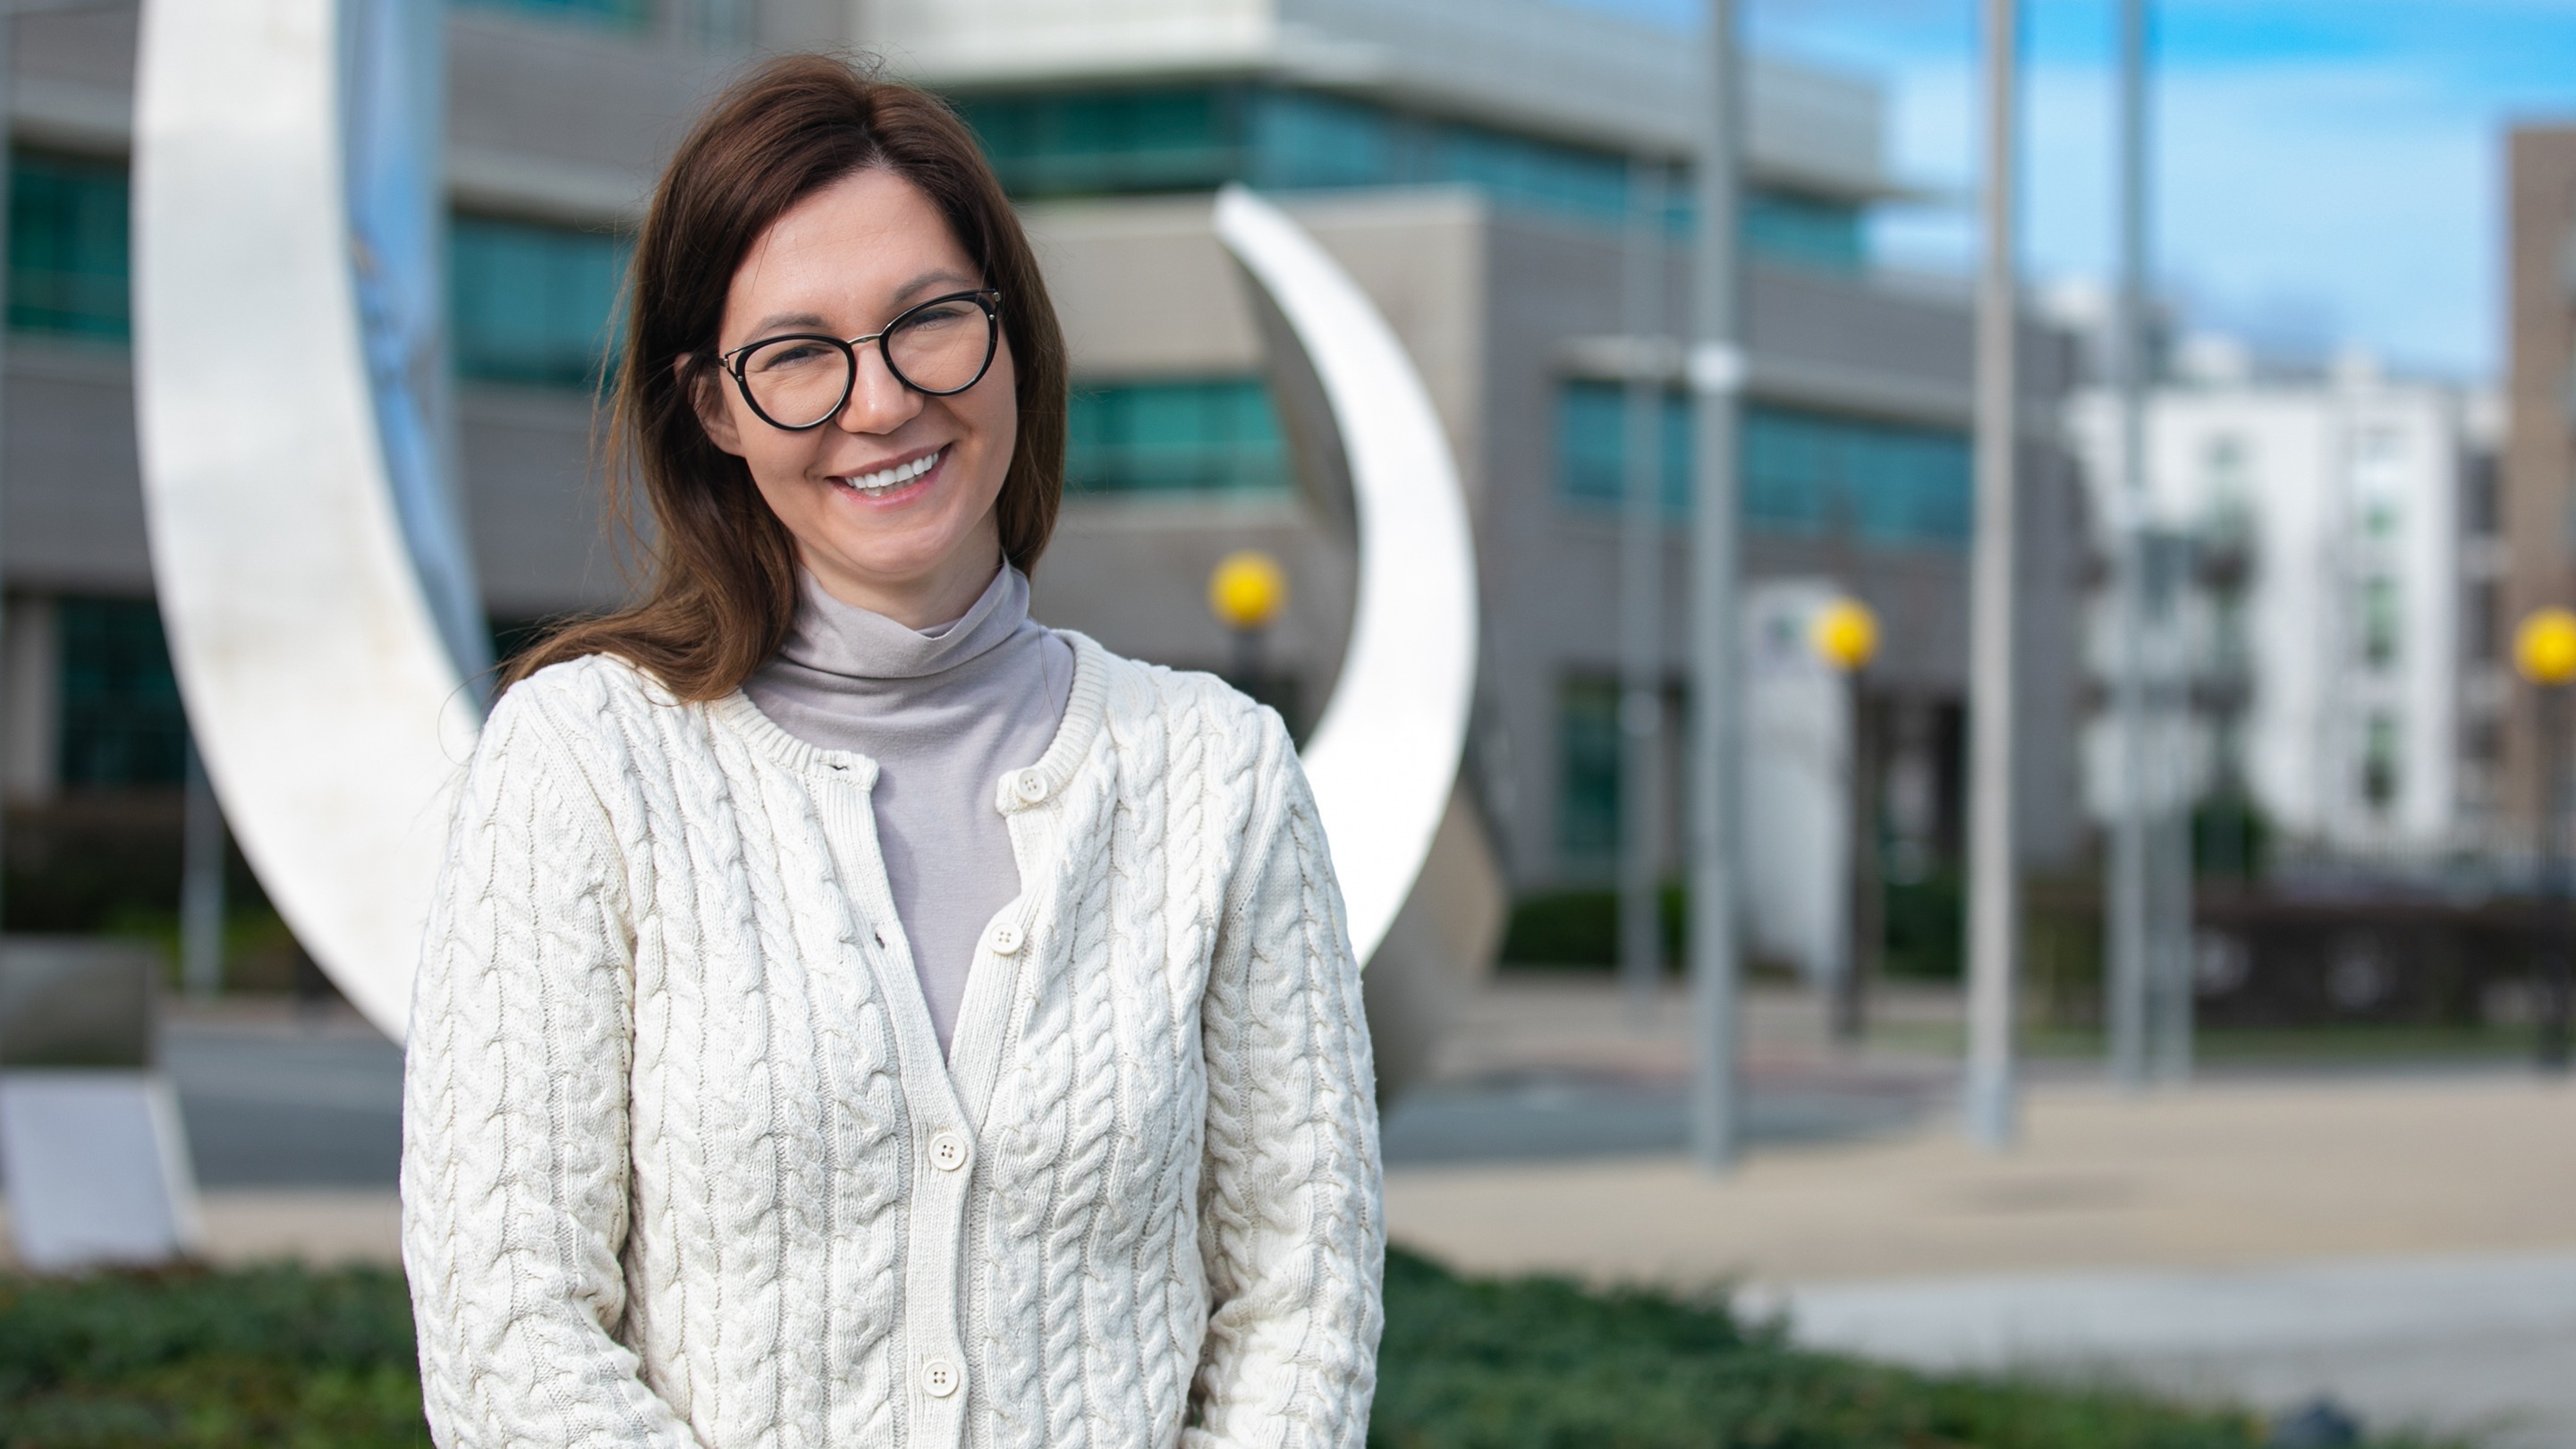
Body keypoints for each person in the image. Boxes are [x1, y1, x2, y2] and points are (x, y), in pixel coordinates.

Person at [400, 54, 1383, 1449]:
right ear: (717, 409)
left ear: (1008, 332)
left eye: (928, 321)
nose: (879, 403)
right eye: (797, 353)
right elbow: (511, 1325)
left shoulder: (1220, 777)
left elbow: (1304, 1301)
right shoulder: (583, 761)